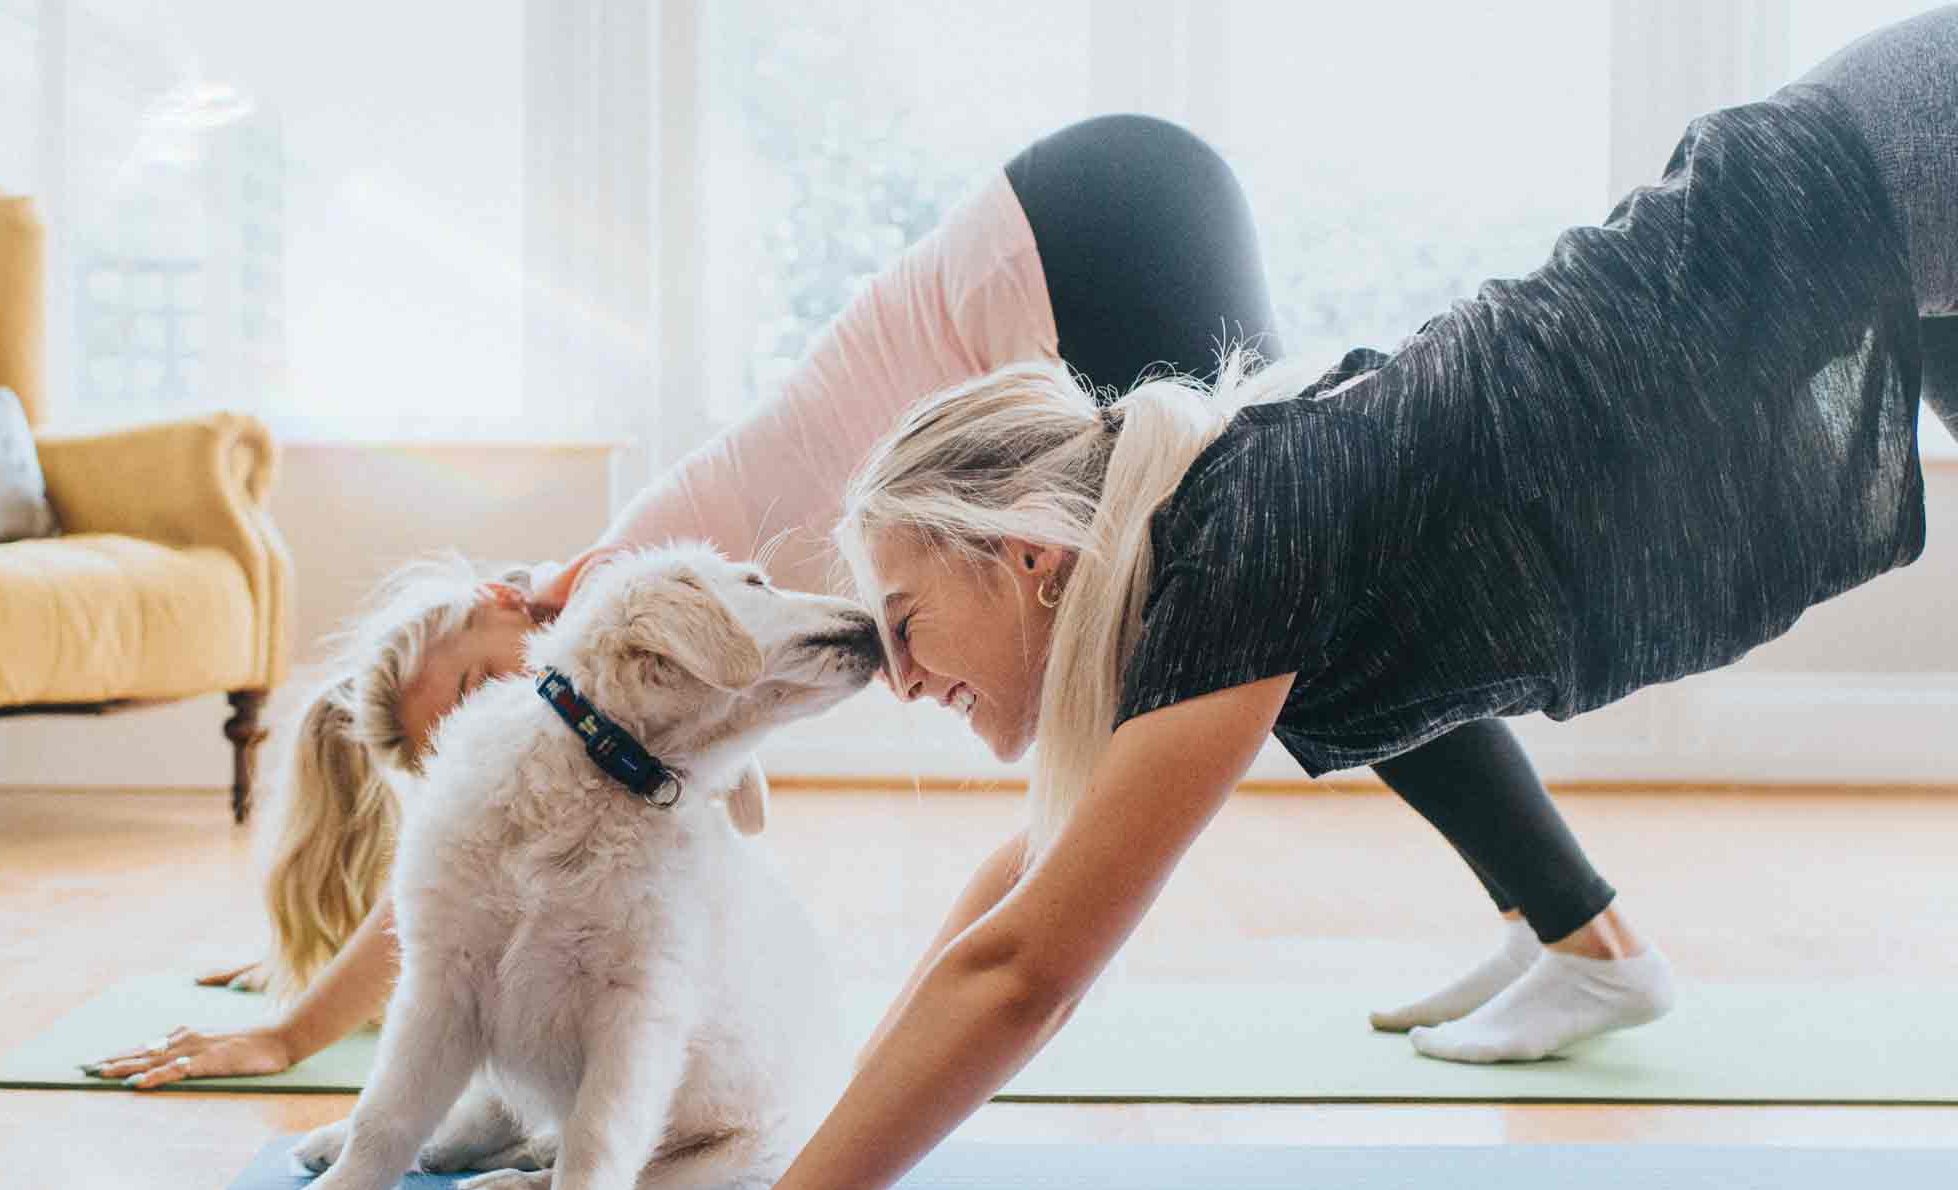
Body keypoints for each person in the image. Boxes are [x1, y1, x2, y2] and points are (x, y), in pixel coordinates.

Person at [458, 8, 1955, 1190]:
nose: (898, 680)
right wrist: (811, 1144)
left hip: (1888, 166)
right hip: (1873, 190)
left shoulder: (1228, 555)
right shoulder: (1197, 549)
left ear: (1027, 556)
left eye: (907, 623)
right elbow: (1016, 897)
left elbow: (1027, 972)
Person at [91, 111, 1651, 1089]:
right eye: (475, 728)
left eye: (484, 683)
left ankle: (1588, 939)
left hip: (1083, 227)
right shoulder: (656, 661)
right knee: (1299, 594)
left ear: (520, 602)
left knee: (1285, 594)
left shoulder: (635, 581)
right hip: (1098, 208)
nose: (514, 723)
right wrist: (334, 973)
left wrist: (304, 1027)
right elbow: (541, 851)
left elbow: (498, 844)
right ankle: (1555, 924)